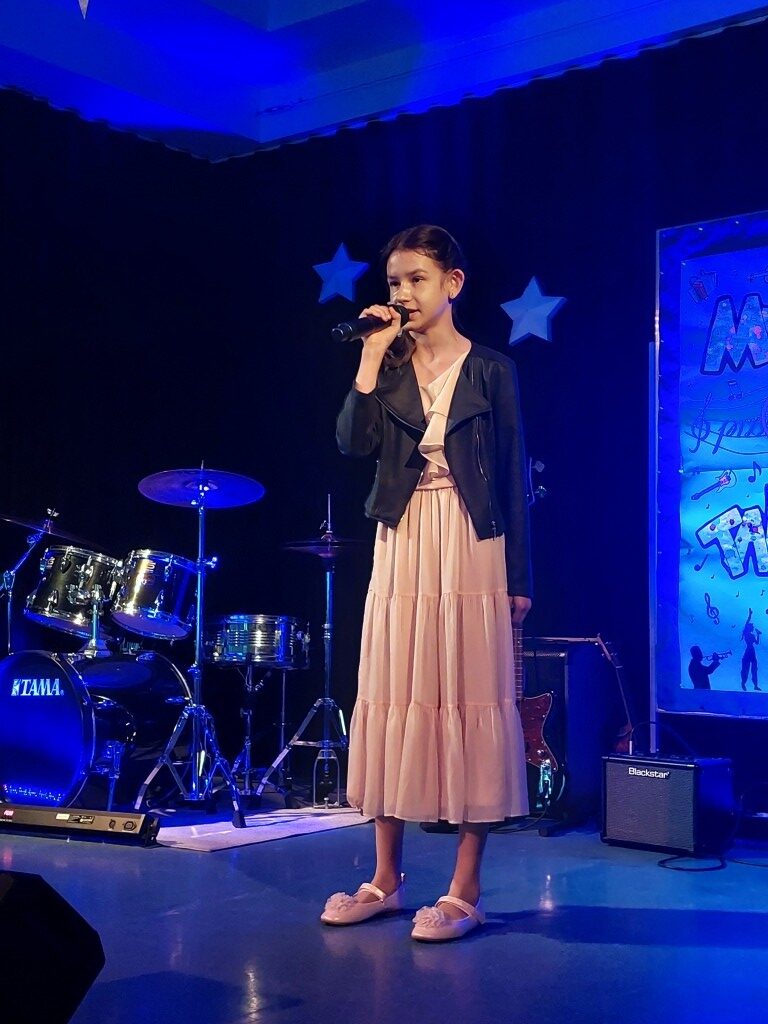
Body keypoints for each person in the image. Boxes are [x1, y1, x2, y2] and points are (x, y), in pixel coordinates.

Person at [321, 225, 532, 942]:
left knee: (471, 692)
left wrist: (521, 578)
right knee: (393, 689)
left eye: (416, 278)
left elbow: (512, 476)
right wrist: (371, 354)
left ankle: (465, 889)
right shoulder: (388, 364)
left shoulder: (492, 370)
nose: (404, 293)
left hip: (472, 539)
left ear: (452, 283)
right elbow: (352, 442)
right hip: (404, 534)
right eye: (394, 282)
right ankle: (385, 878)